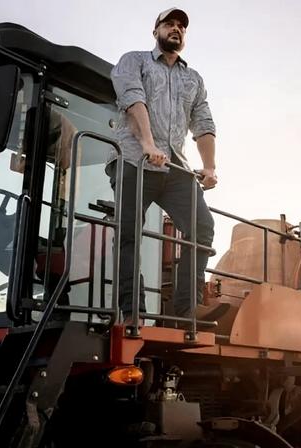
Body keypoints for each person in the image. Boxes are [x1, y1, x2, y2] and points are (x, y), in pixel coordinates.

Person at [109, 7, 227, 325]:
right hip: (135, 161)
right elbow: (134, 102)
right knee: (129, 232)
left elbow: (203, 123)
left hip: (175, 167)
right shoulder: (134, 61)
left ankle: (185, 312)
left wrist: (210, 166)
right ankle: (132, 311)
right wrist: (148, 145)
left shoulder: (193, 78)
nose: (176, 29)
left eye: (181, 27)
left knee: (202, 228)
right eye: (169, 24)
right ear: (156, 30)